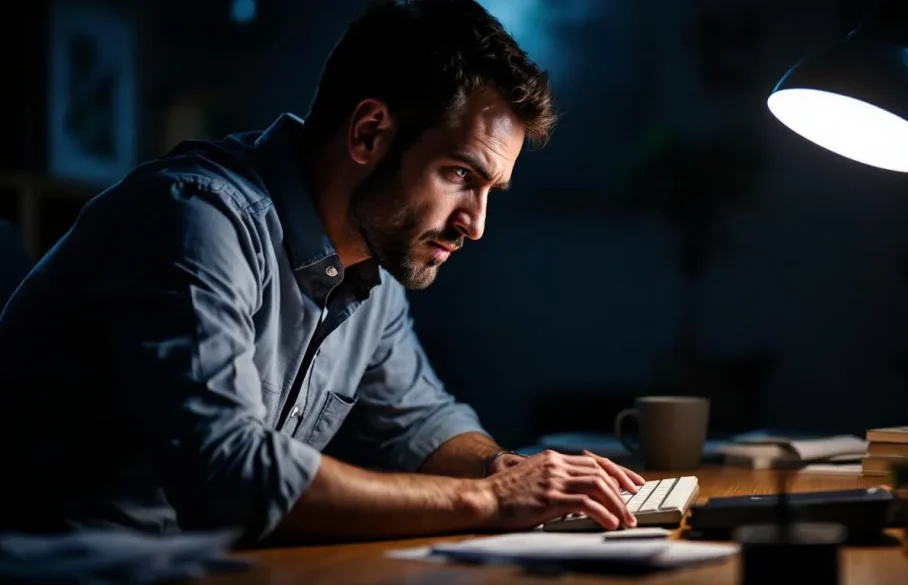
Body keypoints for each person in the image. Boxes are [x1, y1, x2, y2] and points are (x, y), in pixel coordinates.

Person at [0, 0, 644, 545]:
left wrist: (501, 468)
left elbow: (419, 422)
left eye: (490, 192)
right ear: (369, 133)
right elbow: (229, 477)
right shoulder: (195, 218)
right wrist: (490, 501)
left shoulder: (373, 262)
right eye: (460, 176)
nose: (474, 224)